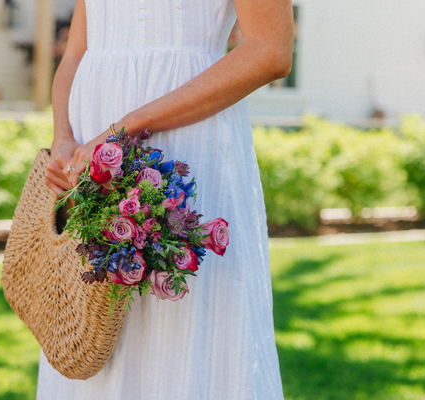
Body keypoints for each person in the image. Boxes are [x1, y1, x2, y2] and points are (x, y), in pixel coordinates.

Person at [41, 0, 293, 398]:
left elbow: (270, 51)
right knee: (91, 329)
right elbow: (75, 51)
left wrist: (124, 129)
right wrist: (63, 138)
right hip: (90, 154)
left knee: (185, 329)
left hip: (187, 143)